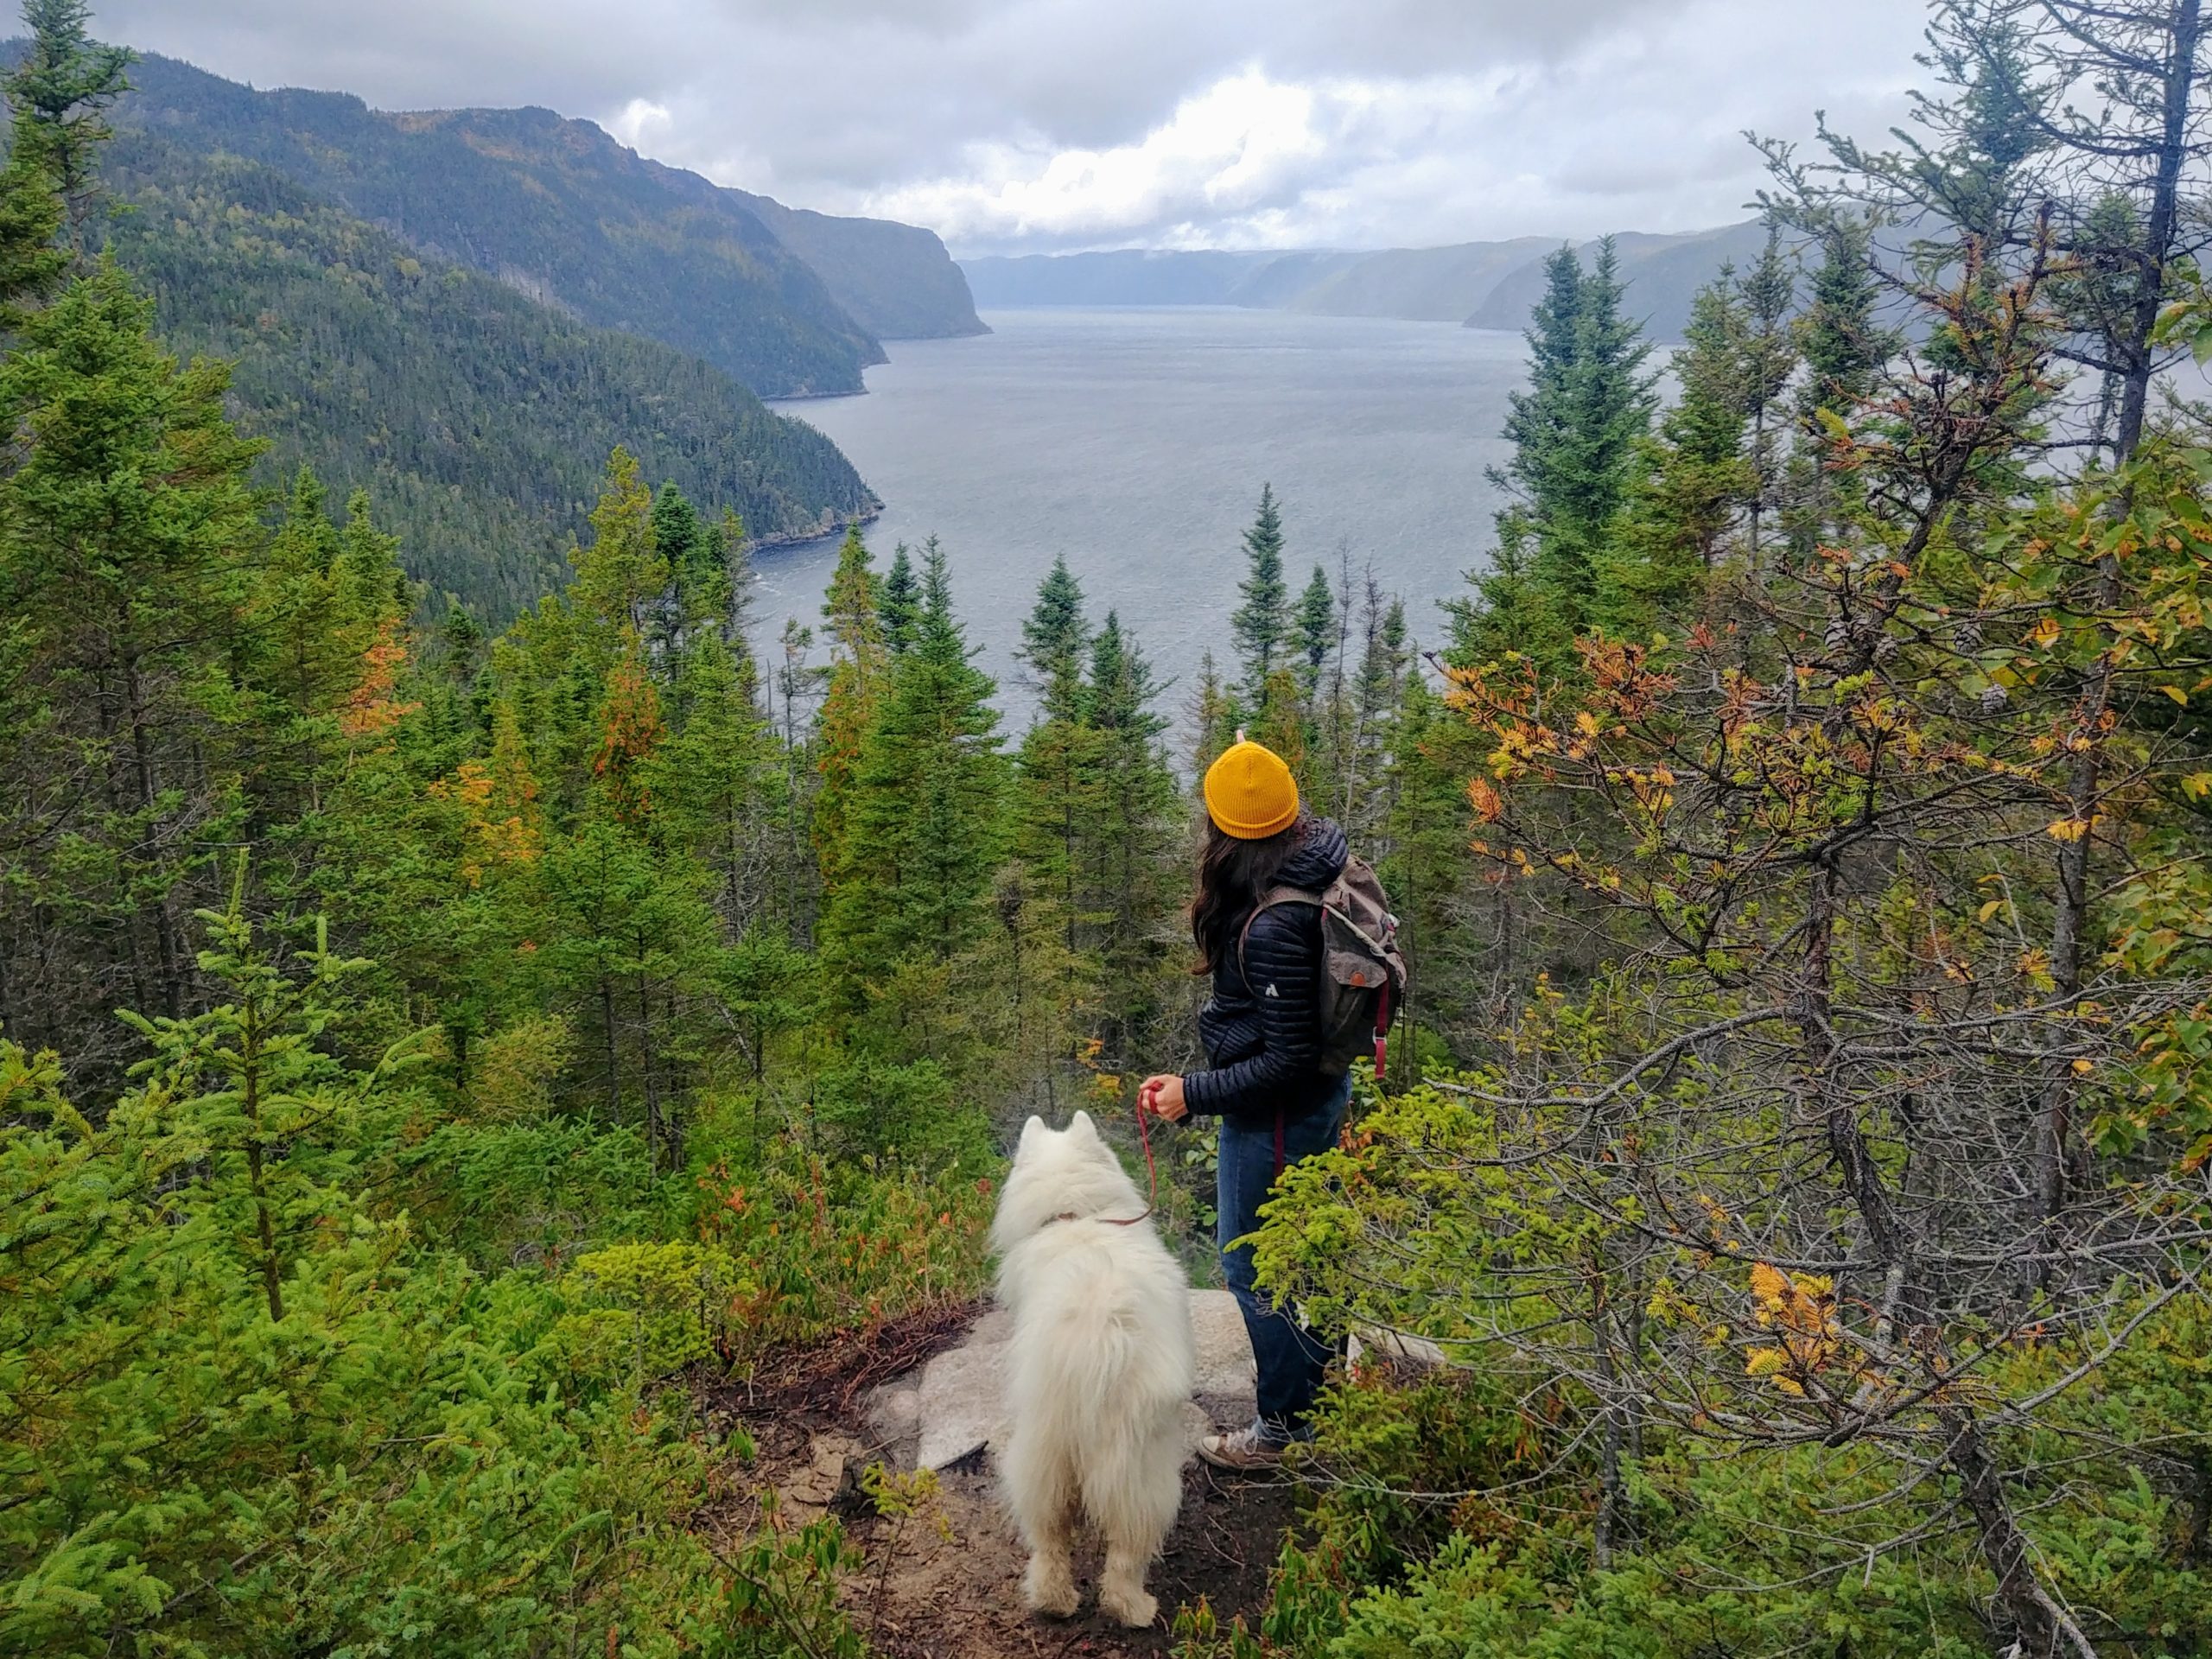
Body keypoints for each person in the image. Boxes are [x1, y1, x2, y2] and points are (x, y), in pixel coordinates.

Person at [1140, 734, 1351, 1471]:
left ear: (1224, 828)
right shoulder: (1314, 855)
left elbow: (1287, 1060)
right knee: (1307, 1251)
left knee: (1253, 1265)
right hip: (1315, 1100)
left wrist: (1191, 1094)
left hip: (1279, 1118)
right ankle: (1326, 1391)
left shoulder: (1275, 923)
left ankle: (1288, 1427)